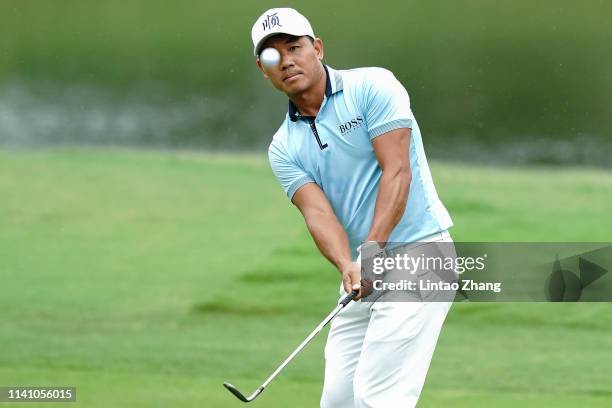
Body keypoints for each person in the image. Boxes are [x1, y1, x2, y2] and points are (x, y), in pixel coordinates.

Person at [251, 7, 455, 408]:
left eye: (295, 47)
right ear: (264, 69)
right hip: (363, 269)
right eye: (274, 56)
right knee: (340, 401)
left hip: (420, 254)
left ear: (318, 48)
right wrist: (347, 264)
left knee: (378, 398)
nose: (287, 61)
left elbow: (396, 172)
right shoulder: (284, 146)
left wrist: (372, 249)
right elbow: (318, 213)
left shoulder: (373, 86)